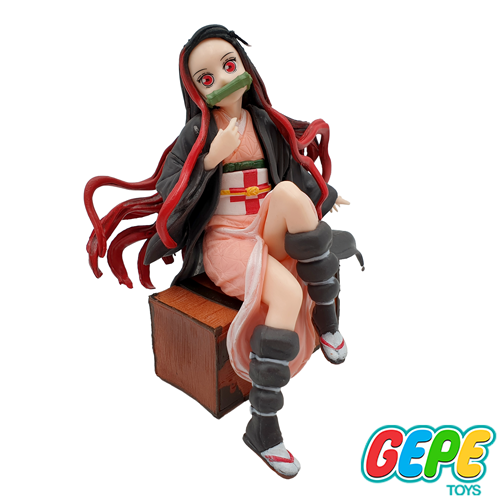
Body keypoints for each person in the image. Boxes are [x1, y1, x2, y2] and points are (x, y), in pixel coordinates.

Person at [84, 25, 363, 479]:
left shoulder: (264, 122)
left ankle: (327, 323)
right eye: (207, 77)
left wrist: (325, 195)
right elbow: (170, 192)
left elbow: (293, 169)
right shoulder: (197, 134)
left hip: (264, 223)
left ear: (245, 67)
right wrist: (211, 158)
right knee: (288, 294)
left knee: (290, 193)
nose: (223, 79)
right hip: (226, 239)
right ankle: (263, 428)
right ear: (197, 89)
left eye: (229, 65)